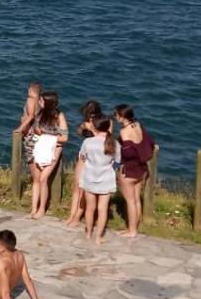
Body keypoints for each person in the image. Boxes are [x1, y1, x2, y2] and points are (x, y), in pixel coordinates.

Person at [65, 100, 105, 228]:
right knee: (77, 186)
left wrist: (93, 129)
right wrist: (83, 127)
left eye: (92, 115)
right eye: (88, 115)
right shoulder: (86, 122)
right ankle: (72, 214)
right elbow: (79, 132)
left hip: (96, 157)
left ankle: (77, 217)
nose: (90, 117)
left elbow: (106, 137)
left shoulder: (104, 122)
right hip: (84, 153)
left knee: (84, 188)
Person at [116, 104, 154, 238]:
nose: (115, 118)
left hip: (129, 169)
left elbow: (128, 153)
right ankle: (135, 226)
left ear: (122, 117)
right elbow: (148, 142)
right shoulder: (138, 125)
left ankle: (132, 230)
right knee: (137, 199)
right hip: (141, 168)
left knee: (130, 201)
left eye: (116, 115)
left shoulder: (124, 132)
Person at [29, 92, 68, 219]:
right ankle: (33, 208)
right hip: (40, 147)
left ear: (47, 102)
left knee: (43, 179)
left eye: (41, 101)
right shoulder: (39, 114)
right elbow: (37, 129)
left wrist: (48, 139)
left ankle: (42, 209)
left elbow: (64, 137)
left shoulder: (59, 116)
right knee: (37, 178)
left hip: (54, 149)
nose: (39, 103)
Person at [81, 116, 119, 245]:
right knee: (103, 209)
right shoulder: (113, 143)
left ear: (95, 128)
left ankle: (88, 233)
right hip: (106, 179)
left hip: (90, 177)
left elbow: (83, 156)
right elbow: (118, 160)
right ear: (108, 127)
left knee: (90, 208)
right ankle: (98, 237)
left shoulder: (88, 142)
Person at [15, 82, 43, 216]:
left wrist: (20, 128)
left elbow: (31, 116)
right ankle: (39, 204)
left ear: (31, 90)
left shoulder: (31, 100)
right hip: (38, 136)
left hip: (30, 136)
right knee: (39, 170)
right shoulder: (41, 102)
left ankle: (35, 207)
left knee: (35, 174)